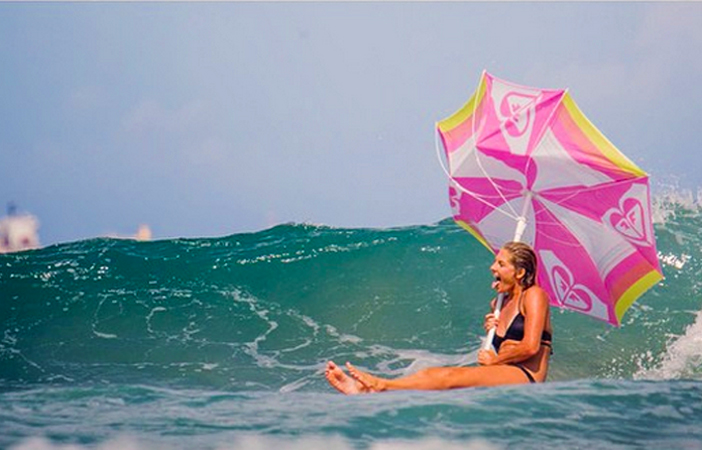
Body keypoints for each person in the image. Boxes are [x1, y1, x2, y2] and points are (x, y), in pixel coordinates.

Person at [324, 241, 552, 394]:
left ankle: (381, 386)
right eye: (495, 261)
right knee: (437, 378)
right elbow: (497, 352)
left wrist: (494, 360)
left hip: (526, 376)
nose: (492, 267)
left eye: (501, 264)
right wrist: (493, 331)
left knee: (449, 375)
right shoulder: (499, 304)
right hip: (505, 371)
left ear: (519, 273)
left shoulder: (534, 295)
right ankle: (370, 390)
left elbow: (530, 347)